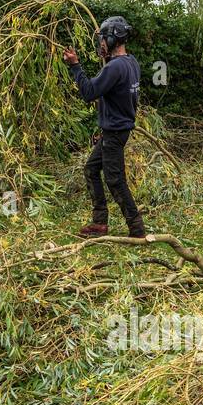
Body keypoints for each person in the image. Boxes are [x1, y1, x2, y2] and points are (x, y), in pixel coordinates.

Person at [61, 16, 146, 239]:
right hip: (116, 129)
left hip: (115, 132)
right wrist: (104, 127)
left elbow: (89, 92)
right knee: (91, 169)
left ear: (113, 39)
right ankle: (99, 223)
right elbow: (116, 98)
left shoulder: (115, 67)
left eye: (103, 39)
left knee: (115, 180)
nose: (101, 44)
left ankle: (136, 229)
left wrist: (75, 66)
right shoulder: (131, 62)